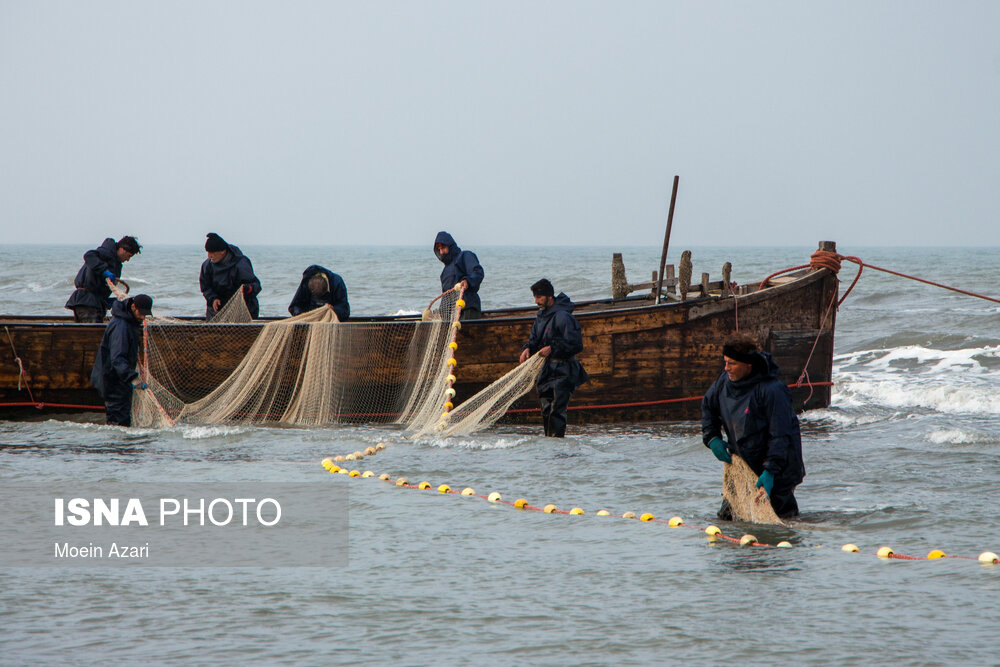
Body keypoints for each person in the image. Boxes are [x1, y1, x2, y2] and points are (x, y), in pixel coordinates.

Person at [701, 333, 806, 520]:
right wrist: (712, 437)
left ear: (748, 365)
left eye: (732, 363)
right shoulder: (724, 382)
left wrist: (771, 471)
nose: (726, 368)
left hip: (776, 471)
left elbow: (781, 434)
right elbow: (708, 406)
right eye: (725, 362)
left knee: (782, 523)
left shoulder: (772, 390)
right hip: (742, 468)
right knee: (727, 520)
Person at [518, 279, 589, 437]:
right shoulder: (541, 316)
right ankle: (549, 451)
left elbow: (576, 345)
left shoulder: (563, 316)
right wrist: (527, 348)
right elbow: (534, 340)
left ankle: (559, 453)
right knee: (546, 412)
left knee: (556, 412)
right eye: (535, 297)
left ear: (550, 297)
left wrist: (553, 348)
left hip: (564, 370)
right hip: (546, 371)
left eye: (539, 297)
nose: (536, 301)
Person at [90, 294, 154, 427]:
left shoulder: (129, 322)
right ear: (133, 306)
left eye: (145, 314)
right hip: (113, 381)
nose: (143, 317)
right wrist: (132, 378)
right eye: (141, 313)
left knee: (122, 418)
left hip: (120, 380)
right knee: (118, 422)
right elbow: (118, 359)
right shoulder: (121, 327)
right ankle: (118, 447)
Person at [65, 236, 141, 322]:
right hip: (87, 302)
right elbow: (89, 255)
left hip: (91, 302)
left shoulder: (115, 263)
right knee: (92, 333)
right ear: (123, 249)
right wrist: (104, 271)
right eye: (129, 256)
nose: (128, 260)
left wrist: (106, 300)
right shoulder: (107, 252)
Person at [199, 233, 262, 320]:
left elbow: (256, 286)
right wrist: (213, 298)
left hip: (242, 310)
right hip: (218, 310)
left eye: (212, 252)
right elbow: (205, 287)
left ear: (222, 251)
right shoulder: (207, 265)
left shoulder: (240, 264)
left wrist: (247, 289)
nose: (209, 256)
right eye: (208, 252)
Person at [433, 231, 485, 320]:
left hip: (467, 308)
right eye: (439, 249)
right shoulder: (444, 272)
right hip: (451, 314)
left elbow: (478, 272)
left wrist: (467, 281)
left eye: (443, 247)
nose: (441, 252)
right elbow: (447, 295)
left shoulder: (464, 256)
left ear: (450, 246)